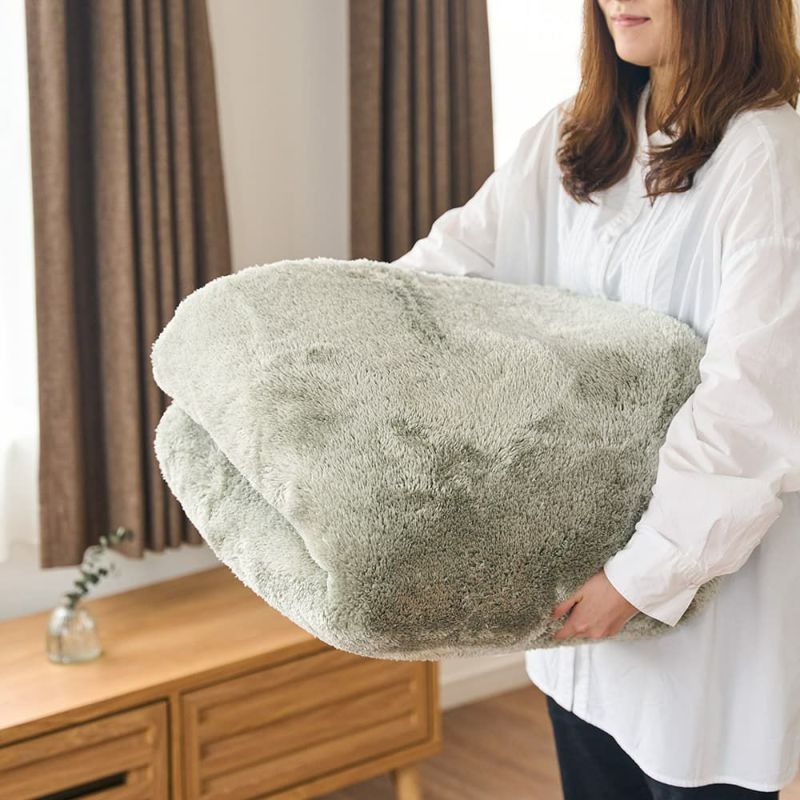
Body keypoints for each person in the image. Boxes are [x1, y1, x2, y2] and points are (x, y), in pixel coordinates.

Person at [389, 0, 800, 797]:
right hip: (575, 607)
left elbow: (752, 407)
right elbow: (448, 272)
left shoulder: (770, 157)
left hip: (695, 615)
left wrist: (639, 579)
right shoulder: (573, 135)